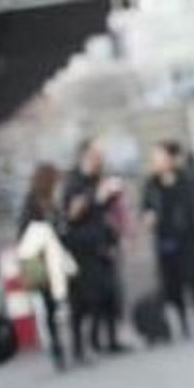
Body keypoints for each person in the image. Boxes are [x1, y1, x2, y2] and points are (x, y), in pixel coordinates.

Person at [62, 139, 130, 361]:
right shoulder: (72, 181)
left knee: (110, 294)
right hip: (81, 249)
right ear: (86, 155)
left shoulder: (98, 178)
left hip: (102, 244)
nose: (100, 158)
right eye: (97, 154)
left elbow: (107, 212)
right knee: (83, 300)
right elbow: (72, 214)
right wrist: (95, 197)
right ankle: (80, 347)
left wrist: (112, 195)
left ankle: (108, 340)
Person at [142, 141, 194, 337]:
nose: (155, 162)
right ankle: (183, 320)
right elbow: (146, 208)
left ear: (170, 158)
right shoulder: (151, 184)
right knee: (174, 282)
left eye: (159, 157)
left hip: (189, 237)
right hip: (166, 240)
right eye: (154, 158)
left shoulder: (186, 180)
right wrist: (149, 217)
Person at [17, 163, 68, 370]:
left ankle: (62, 346)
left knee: (56, 304)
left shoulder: (52, 203)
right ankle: (56, 348)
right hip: (42, 262)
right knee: (49, 305)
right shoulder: (32, 203)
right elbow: (25, 233)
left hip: (57, 259)